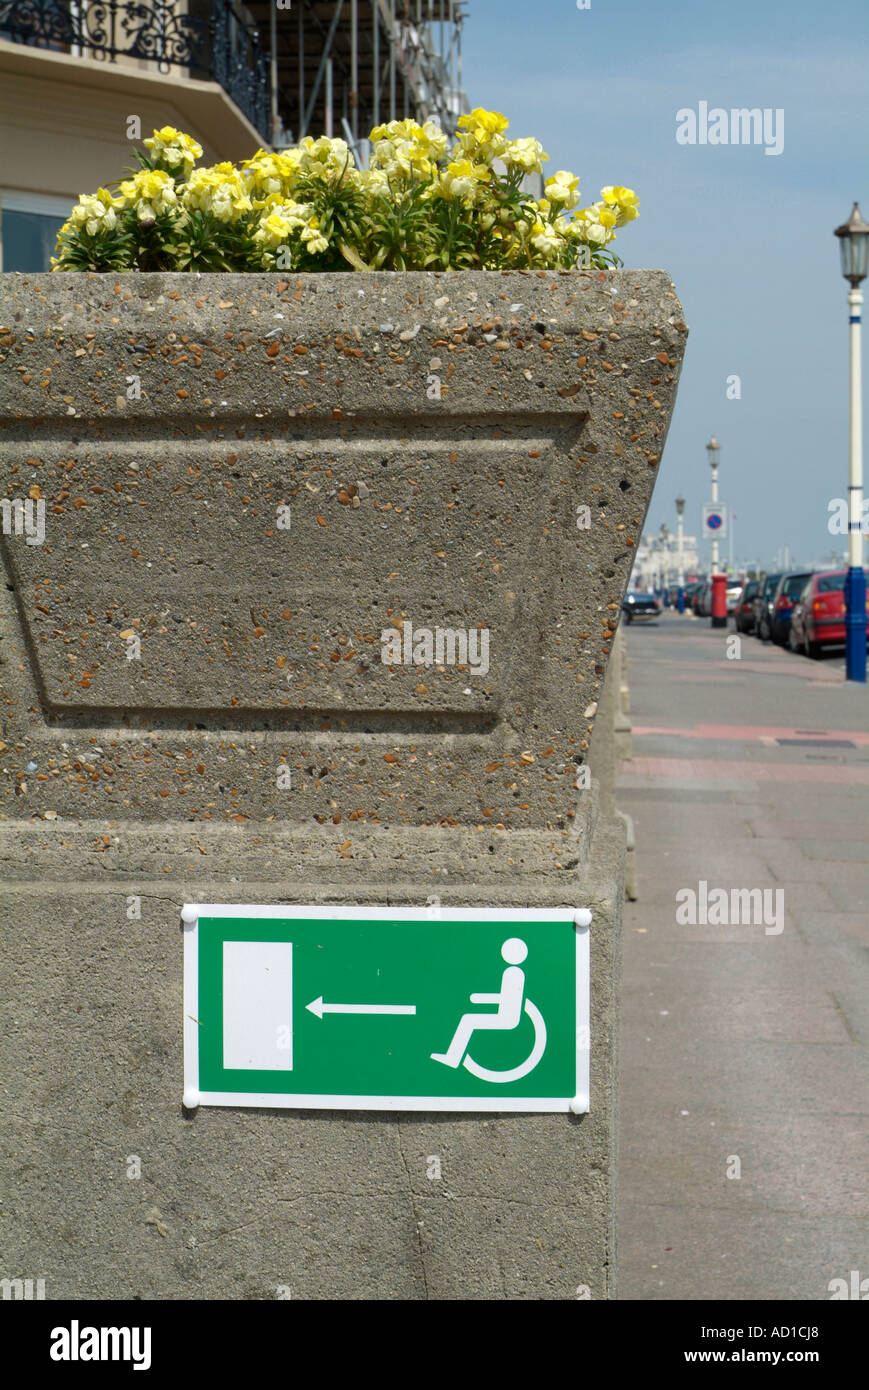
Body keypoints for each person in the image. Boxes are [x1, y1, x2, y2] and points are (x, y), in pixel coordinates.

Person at [431, 938, 528, 1069]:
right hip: (504, 1014)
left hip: (507, 1018)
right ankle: (452, 1057)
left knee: (468, 1020)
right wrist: (479, 998)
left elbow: (507, 1000)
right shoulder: (514, 972)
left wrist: (478, 998)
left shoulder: (513, 973)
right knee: (468, 1019)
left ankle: (452, 1058)